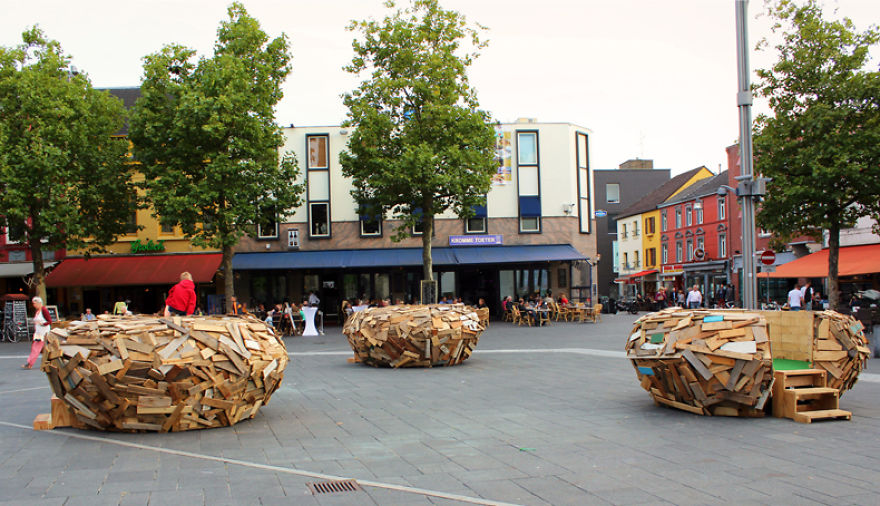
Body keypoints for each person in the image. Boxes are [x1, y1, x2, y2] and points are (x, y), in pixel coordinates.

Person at [22, 296, 52, 370]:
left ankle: (30, 363)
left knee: (36, 348)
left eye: (35, 303)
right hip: (39, 332)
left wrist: (42, 323)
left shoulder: (44, 310)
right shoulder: (38, 311)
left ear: (39, 303)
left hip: (43, 333)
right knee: (43, 348)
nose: (33, 305)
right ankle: (48, 362)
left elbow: (49, 321)